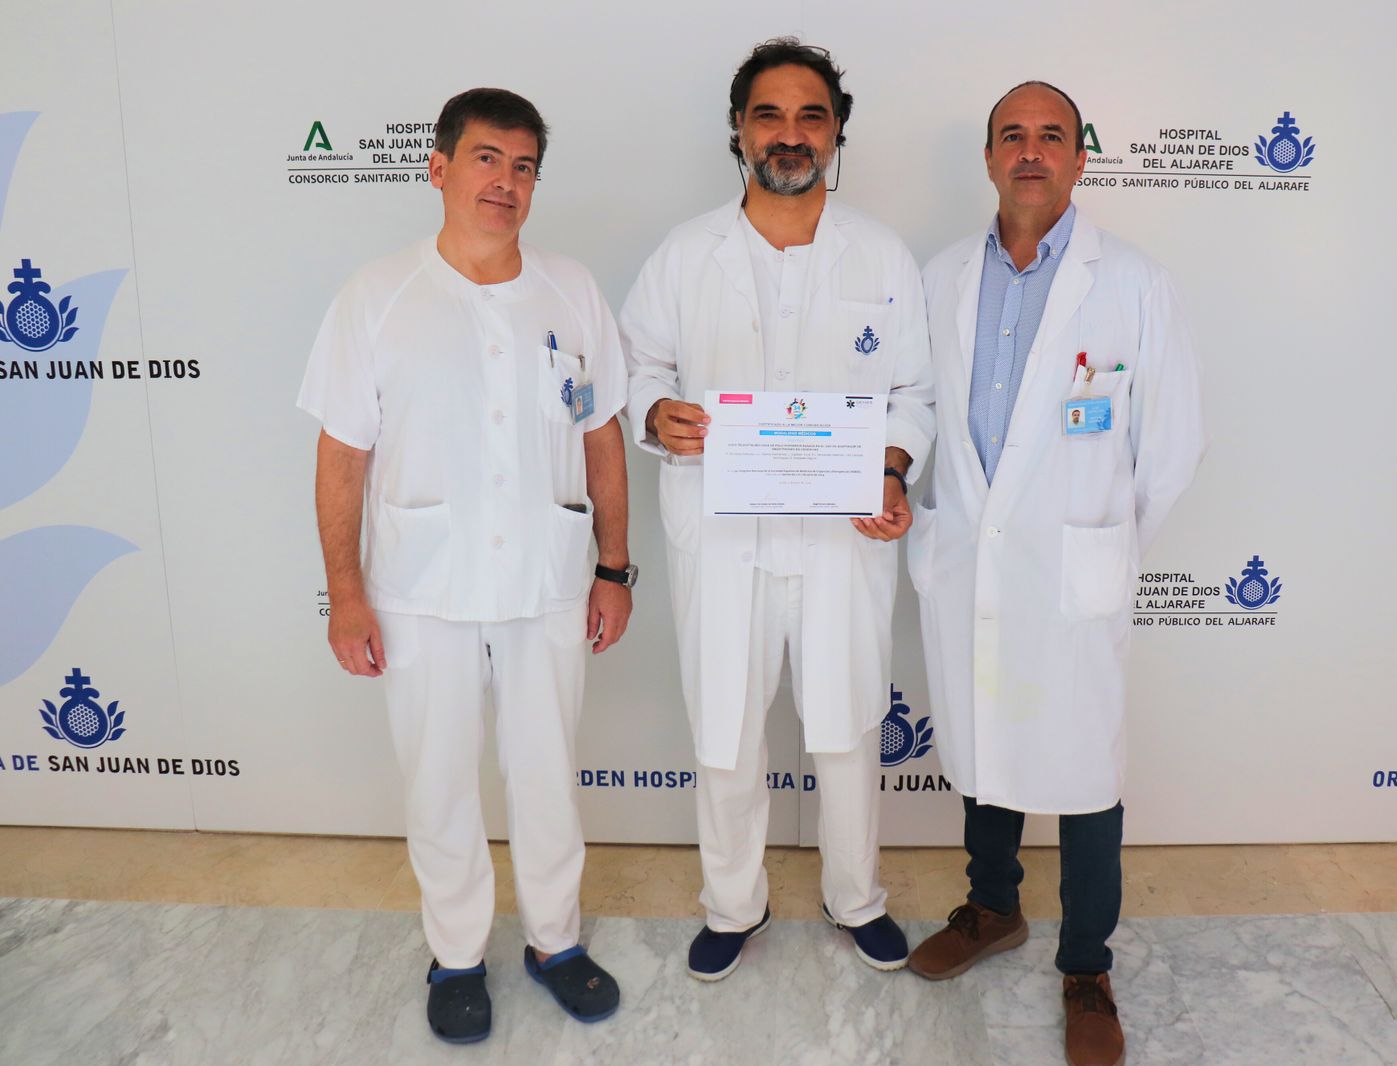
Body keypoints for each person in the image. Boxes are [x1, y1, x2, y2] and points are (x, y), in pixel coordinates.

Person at [297, 87, 635, 1044]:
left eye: (524, 166)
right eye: (487, 159)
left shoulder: (571, 290)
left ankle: (556, 942)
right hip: (421, 590)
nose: (506, 182)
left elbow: (602, 434)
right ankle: (454, 955)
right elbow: (341, 459)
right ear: (439, 168)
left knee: (546, 772)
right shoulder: (378, 297)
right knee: (439, 782)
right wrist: (347, 593)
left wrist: (616, 567)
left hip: (549, 583)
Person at [619, 38, 935, 981]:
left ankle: (856, 899)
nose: (789, 134)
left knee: (843, 730)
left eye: (810, 116)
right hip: (724, 539)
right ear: (738, 130)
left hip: (843, 540)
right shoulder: (686, 254)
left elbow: (914, 393)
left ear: (837, 132)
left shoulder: (880, 255)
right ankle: (732, 904)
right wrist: (653, 413)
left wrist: (888, 468)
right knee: (724, 732)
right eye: (769, 114)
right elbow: (639, 368)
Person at [906, 81, 1204, 1066]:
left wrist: (1103, 548)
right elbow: (916, 414)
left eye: (1051, 136)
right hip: (968, 562)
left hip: (1074, 566)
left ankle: (1086, 963)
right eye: (1010, 136)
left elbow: (1169, 449)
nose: (1030, 151)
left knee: (1082, 768)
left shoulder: (1132, 283)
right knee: (987, 739)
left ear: (1081, 158)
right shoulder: (941, 273)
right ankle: (992, 907)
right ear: (988, 158)